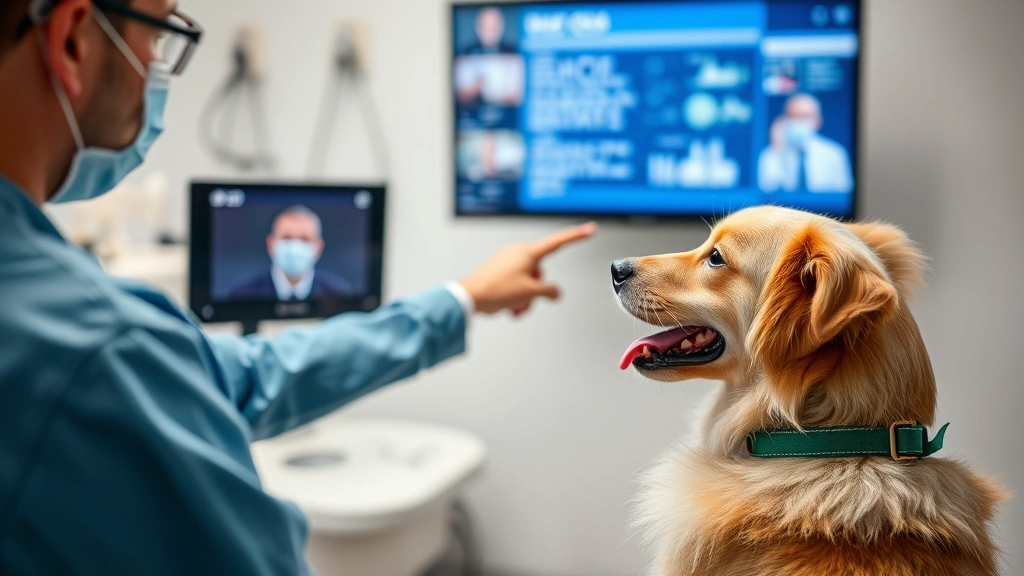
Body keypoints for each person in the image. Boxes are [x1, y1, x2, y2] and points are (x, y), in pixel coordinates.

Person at [0, 1, 596, 574]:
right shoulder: (103, 350)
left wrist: (462, 298)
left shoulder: (103, 345)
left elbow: (243, 373)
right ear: (73, 39)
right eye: (157, 38)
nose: (158, 73)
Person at [227, 205, 353, 301]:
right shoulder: (242, 293)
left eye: (304, 239)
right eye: (287, 238)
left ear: (318, 248)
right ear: (271, 244)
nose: (295, 247)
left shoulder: (339, 294)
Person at [757, 93, 854, 193]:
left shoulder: (835, 153)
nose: (798, 121)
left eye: (804, 116)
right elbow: (767, 194)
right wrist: (776, 150)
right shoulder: (770, 154)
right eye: (792, 116)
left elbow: (843, 194)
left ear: (818, 121)